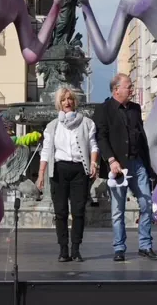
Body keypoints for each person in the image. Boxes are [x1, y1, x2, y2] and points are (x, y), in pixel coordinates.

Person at [92, 73, 157, 262]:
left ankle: (145, 246)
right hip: (118, 166)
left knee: (146, 204)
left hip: (138, 163)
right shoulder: (103, 109)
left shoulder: (135, 109)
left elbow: (140, 136)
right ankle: (119, 248)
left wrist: (147, 164)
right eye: (128, 86)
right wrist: (111, 160)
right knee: (118, 210)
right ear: (116, 90)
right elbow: (101, 137)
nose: (132, 89)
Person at [38, 87, 99, 262]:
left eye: (70, 99)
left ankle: (76, 249)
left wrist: (93, 162)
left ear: (75, 101)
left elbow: (93, 145)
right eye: (63, 99)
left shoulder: (86, 123)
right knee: (61, 212)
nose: (67, 102)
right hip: (59, 170)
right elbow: (46, 151)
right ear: (59, 103)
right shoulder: (52, 126)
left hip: (80, 170)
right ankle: (63, 249)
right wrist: (41, 173)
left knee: (78, 211)